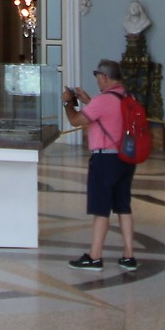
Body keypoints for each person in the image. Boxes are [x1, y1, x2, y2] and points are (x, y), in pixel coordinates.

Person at [62, 60, 139, 272]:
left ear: (104, 77)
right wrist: (88, 100)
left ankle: (95, 256)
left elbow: (75, 120)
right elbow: (109, 116)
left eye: (98, 79)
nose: (97, 82)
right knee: (123, 206)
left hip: (105, 159)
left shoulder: (103, 100)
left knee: (101, 208)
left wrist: (68, 103)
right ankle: (129, 255)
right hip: (126, 157)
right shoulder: (128, 96)